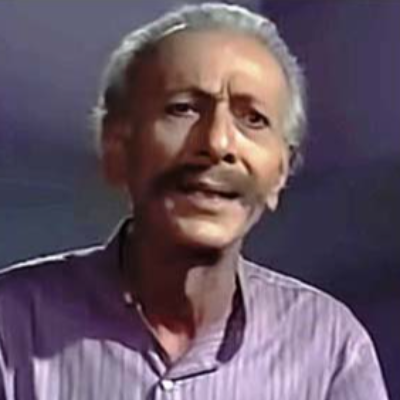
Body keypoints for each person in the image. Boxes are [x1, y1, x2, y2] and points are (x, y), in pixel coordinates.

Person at [0, 3, 389, 399]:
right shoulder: (11, 326)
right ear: (116, 148)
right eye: (183, 109)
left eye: (253, 118)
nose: (217, 143)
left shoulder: (330, 349)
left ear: (280, 174)